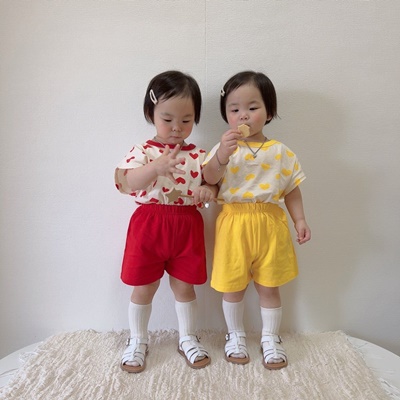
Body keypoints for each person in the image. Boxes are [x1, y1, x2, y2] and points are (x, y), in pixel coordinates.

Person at [202, 71, 311, 370]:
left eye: (252, 107)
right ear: (226, 115)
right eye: (234, 109)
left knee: (269, 286)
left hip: (270, 222)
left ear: (269, 111)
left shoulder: (281, 152)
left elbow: (292, 189)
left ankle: (270, 337)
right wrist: (222, 155)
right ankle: (235, 335)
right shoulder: (224, 148)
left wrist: (300, 220)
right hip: (233, 222)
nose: (243, 115)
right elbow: (209, 178)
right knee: (232, 286)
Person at [115, 70, 216, 373]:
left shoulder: (200, 155)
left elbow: (213, 186)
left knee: (185, 287)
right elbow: (126, 182)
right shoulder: (143, 151)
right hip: (149, 224)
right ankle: (138, 340)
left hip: (187, 225)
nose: (176, 127)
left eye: (186, 120)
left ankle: (187, 338)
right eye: (167, 118)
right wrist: (155, 167)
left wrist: (207, 191)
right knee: (143, 287)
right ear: (151, 113)